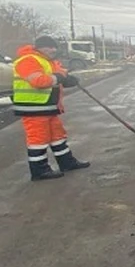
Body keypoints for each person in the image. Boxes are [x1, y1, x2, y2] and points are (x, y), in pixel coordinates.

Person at [12, 36, 90, 181]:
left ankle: (67, 162)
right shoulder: (27, 60)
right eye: (49, 47)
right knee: (38, 140)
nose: (53, 50)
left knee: (58, 137)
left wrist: (67, 80)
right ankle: (39, 171)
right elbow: (39, 81)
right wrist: (59, 77)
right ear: (39, 47)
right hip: (33, 108)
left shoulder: (48, 61)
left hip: (48, 107)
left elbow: (56, 78)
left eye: (54, 47)